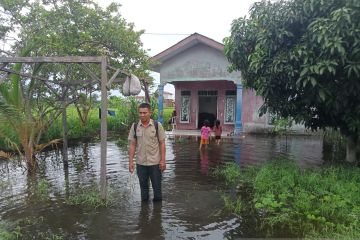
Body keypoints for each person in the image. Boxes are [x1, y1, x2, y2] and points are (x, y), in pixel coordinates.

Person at [128, 102, 166, 202]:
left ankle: (157, 215)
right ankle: (144, 212)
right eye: (140, 113)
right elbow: (132, 144)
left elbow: (162, 143)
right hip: (141, 164)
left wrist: (163, 161)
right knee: (143, 192)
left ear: (150, 113)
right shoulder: (135, 126)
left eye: (144, 113)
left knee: (157, 191)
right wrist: (131, 162)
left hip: (155, 163)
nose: (142, 115)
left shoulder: (157, 126)